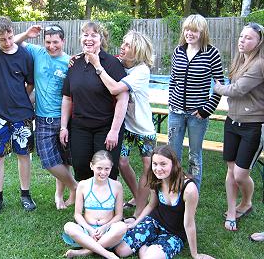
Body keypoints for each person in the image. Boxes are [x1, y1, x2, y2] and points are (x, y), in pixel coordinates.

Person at [88, 30, 156, 217]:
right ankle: (137, 196)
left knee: (147, 167)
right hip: (126, 126)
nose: (122, 47)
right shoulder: (119, 63)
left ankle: (140, 211)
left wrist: (98, 67)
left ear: (138, 50)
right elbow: (100, 53)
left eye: (128, 45)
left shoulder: (142, 70)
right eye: (123, 43)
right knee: (121, 162)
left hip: (144, 129)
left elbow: (115, 88)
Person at [14, 24, 77, 209]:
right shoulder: (38, 53)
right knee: (48, 160)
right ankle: (75, 187)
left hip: (64, 118)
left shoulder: (69, 62)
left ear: (63, 41)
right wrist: (27, 34)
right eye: (48, 42)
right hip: (42, 118)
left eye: (55, 42)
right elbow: (12, 41)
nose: (51, 46)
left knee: (63, 159)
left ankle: (59, 195)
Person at [0, 16, 36, 215]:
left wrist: (21, 98)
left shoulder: (25, 55)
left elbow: (30, 83)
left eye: (10, 37)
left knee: (24, 155)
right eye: (3, 39)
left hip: (22, 114)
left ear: (13, 32)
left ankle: (26, 194)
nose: (8, 42)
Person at [115, 145, 214, 259]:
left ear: (174, 164)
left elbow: (189, 224)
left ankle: (145, 248)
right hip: (154, 222)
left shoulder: (189, 189)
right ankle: (149, 245)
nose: (158, 168)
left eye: (163, 164)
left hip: (174, 233)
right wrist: (135, 223)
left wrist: (195, 254)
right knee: (121, 251)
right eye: (155, 164)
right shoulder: (156, 179)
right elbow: (152, 204)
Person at [60, 21, 128, 182]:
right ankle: (87, 203)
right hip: (80, 127)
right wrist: (63, 126)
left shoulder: (112, 63)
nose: (89, 39)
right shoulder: (74, 63)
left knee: (106, 169)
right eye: (85, 35)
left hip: (105, 128)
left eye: (93, 35)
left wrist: (114, 131)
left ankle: (108, 205)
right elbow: (67, 98)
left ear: (101, 39)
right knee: (81, 166)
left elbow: (122, 99)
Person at [213, 22, 264, 231]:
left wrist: (217, 87)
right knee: (231, 170)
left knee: (241, 174)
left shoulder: (260, 63)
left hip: (253, 125)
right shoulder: (239, 60)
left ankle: (247, 202)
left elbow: (238, 90)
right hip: (231, 122)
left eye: (249, 38)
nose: (243, 40)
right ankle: (233, 210)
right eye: (242, 37)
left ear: (259, 41)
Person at [168, 14, 224, 190]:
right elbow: (173, 80)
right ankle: (174, 188)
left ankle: (193, 190)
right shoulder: (178, 51)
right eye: (186, 29)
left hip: (197, 116)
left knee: (194, 154)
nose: (189, 33)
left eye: (193, 30)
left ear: (202, 31)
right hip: (175, 113)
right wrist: (171, 101)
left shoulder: (211, 53)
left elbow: (219, 85)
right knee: (173, 154)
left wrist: (207, 109)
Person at [62, 150, 127, 259]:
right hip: (87, 231)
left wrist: (105, 227)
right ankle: (107, 254)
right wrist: (89, 229)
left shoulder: (117, 186)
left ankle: (84, 252)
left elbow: (119, 215)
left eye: (107, 169)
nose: (103, 172)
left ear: (111, 167)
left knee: (122, 227)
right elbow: (77, 214)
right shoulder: (83, 185)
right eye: (99, 168)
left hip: (107, 231)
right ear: (91, 166)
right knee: (68, 227)